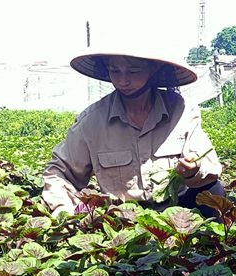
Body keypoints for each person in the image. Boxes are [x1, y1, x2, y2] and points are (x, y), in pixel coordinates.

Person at [42, 47, 225, 218]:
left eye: (133, 71)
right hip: (124, 219)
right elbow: (59, 171)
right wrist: (64, 210)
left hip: (178, 215)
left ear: (153, 70)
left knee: (214, 191)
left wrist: (193, 169)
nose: (122, 80)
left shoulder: (181, 110)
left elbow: (209, 166)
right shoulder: (91, 122)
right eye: (115, 71)